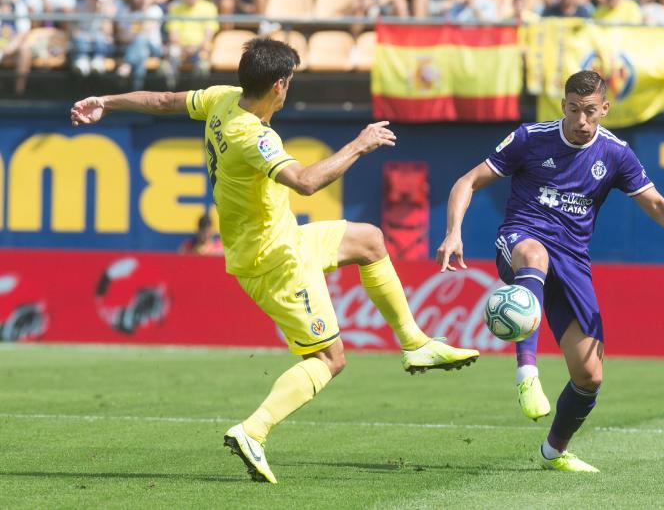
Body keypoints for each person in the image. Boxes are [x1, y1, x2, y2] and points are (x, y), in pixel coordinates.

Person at [70, 37, 480, 484]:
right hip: (275, 259)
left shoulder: (220, 99)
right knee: (331, 359)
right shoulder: (254, 136)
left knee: (370, 240)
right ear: (280, 85)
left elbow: (166, 99)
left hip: (283, 239)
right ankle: (253, 430)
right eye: (291, 82)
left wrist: (107, 101)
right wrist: (360, 144)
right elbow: (304, 182)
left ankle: (415, 344)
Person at [436, 70, 664, 472]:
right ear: (563, 105)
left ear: (605, 109)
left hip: (572, 261)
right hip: (521, 241)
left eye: (589, 112)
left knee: (589, 376)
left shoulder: (616, 154)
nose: (581, 120)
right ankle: (526, 372)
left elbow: (658, 207)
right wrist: (453, 233)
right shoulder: (531, 138)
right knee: (535, 256)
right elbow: (467, 182)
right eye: (573, 110)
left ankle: (554, 451)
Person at [163, 0, 218, 89]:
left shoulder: (209, 7)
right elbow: (173, 35)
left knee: (203, 64)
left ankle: (199, 92)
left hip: (200, 48)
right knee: (171, 56)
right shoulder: (175, 8)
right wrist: (184, 48)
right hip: (180, 48)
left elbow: (209, 34)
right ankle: (172, 90)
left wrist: (195, 47)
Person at [115, 0, 163, 90]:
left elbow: (145, 30)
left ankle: (127, 65)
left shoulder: (155, 10)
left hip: (154, 48)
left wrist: (132, 33)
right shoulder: (126, 11)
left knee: (142, 39)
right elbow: (121, 36)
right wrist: (135, 34)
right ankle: (137, 90)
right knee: (142, 53)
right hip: (133, 48)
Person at [0, 0, 33, 95]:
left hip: (12, 48)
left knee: (25, 50)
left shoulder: (18, 5)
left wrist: (12, 46)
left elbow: (24, 31)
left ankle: (19, 93)